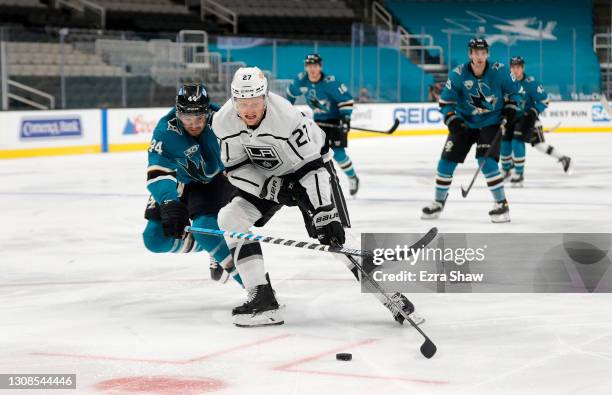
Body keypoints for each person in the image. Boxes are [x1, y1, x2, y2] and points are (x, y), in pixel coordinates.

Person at [212, 67, 419, 327]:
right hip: (269, 177)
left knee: (337, 237)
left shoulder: (286, 117)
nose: (249, 109)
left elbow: (314, 168)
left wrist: (325, 212)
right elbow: (235, 169)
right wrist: (274, 189)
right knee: (230, 218)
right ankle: (263, 299)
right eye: (242, 103)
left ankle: (391, 295)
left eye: (254, 102)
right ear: (233, 101)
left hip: (309, 172)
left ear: (265, 97)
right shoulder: (223, 121)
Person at [142, 83, 241, 285]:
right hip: (179, 180)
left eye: (199, 118)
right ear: (178, 114)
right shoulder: (165, 130)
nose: (194, 124)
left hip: (214, 179)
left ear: (207, 113)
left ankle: (256, 289)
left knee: (204, 227)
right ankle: (211, 245)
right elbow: (157, 170)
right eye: (187, 118)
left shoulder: (223, 120)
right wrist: (168, 201)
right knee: (154, 239)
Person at [421, 38, 522, 223]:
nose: (480, 56)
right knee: (445, 163)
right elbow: (445, 102)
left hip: (491, 121)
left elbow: (515, 92)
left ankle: (501, 204)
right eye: (476, 53)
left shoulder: (500, 71)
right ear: (470, 54)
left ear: (488, 54)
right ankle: (438, 202)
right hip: (465, 122)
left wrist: (511, 107)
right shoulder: (458, 74)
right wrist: (452, 120)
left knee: (486, 161)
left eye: (483, 52)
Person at [286, 54, 360, 196]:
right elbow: (290, 95)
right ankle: (320, 185)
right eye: (309, 66)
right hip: (318, 122)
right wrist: (286, 111)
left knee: (338, 154)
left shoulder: (330, 82)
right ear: (306, 67)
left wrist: (345, 118)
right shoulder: (301, 80)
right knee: (314, 155)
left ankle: (352, 177)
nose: (312, 69)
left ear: (320, 67)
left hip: (336, 120)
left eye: (315, 66)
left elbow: (346, 100)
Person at [501, 56, 572, 186]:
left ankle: (519, 173)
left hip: (527, 119)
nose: (515, 70)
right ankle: (506, 170)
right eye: (513, 67)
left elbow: (544, 100)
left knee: (521, 143)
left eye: (518, 67)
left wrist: (534, 111)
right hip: (511, 119)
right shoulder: (506, 82)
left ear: (522, 68)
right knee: (505, 143)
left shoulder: (531, 83)